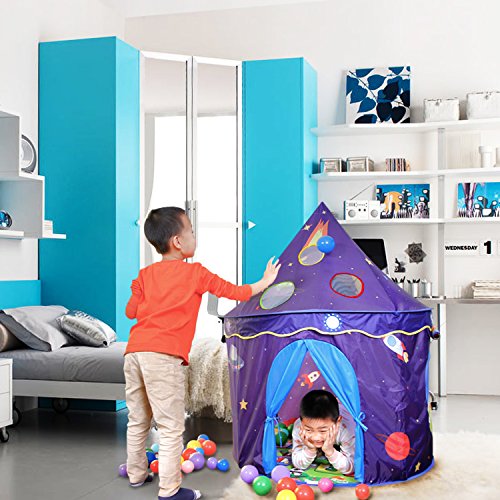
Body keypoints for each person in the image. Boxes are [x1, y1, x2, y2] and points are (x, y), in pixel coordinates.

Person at [123, 207, 281, 500]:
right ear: (177, 241)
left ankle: (136, 474)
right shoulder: (195, 273)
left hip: (133, 352)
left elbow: (131, 312)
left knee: (138, 419)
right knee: (170, 427)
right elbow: (235, 292)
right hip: (163, 355)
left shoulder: (145, 275)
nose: (194, 236)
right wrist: (264, 282)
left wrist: (139, 291)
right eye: (191, 231)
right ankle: (170, 491)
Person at [291, 390, 355, 475]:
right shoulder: (299, 427)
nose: (316, 437)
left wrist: (330, 451)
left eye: (323, 431)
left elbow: (351, 467)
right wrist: (310, 449)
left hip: (347, 411)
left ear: (338, 422)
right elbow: (297, 463)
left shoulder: (347, 429)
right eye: (309, 430)